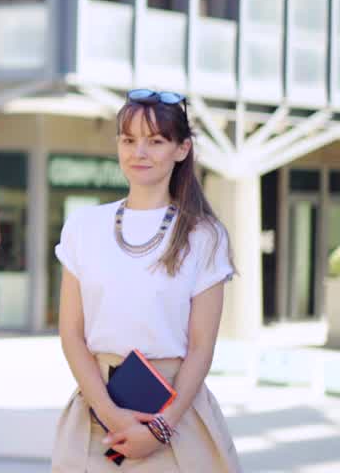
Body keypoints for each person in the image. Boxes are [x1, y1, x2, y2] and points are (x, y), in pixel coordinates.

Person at [51, 89, 241, 471]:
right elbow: (71, 333)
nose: (140, 152)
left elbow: (202, 348)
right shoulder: (83, 227)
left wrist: (160, 429)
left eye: (156, 141)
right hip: (97, 406)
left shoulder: (204, 235)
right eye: (129, 139)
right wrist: (109, 412)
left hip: (176, 410)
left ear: (182, 149)